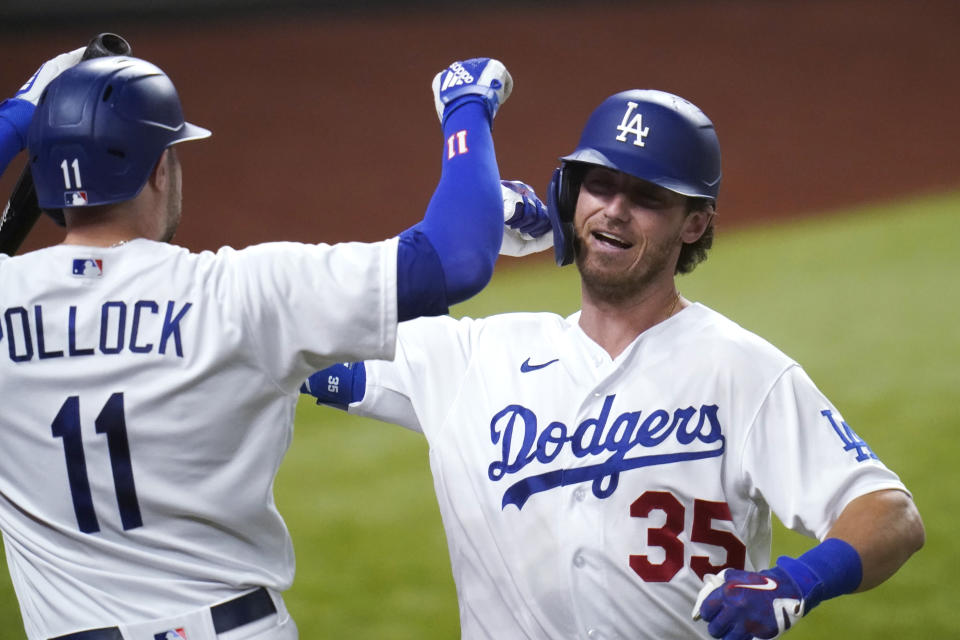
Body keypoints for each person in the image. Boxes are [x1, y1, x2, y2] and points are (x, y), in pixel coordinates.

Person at [302, 89, 925, 639]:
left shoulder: (742, 371)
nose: (615, 210)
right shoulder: (471, 357)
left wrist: (798, 583)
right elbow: (292, 331)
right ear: (570, 197)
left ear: (695, 224)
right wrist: (473, 230)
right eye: (599, 185)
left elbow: (889, 513)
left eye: (647, 196)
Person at [0, 49, 515, 640]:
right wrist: (465, 103)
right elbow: (456, 256)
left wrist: (18, 115)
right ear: (159, 169)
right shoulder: (241, 291)